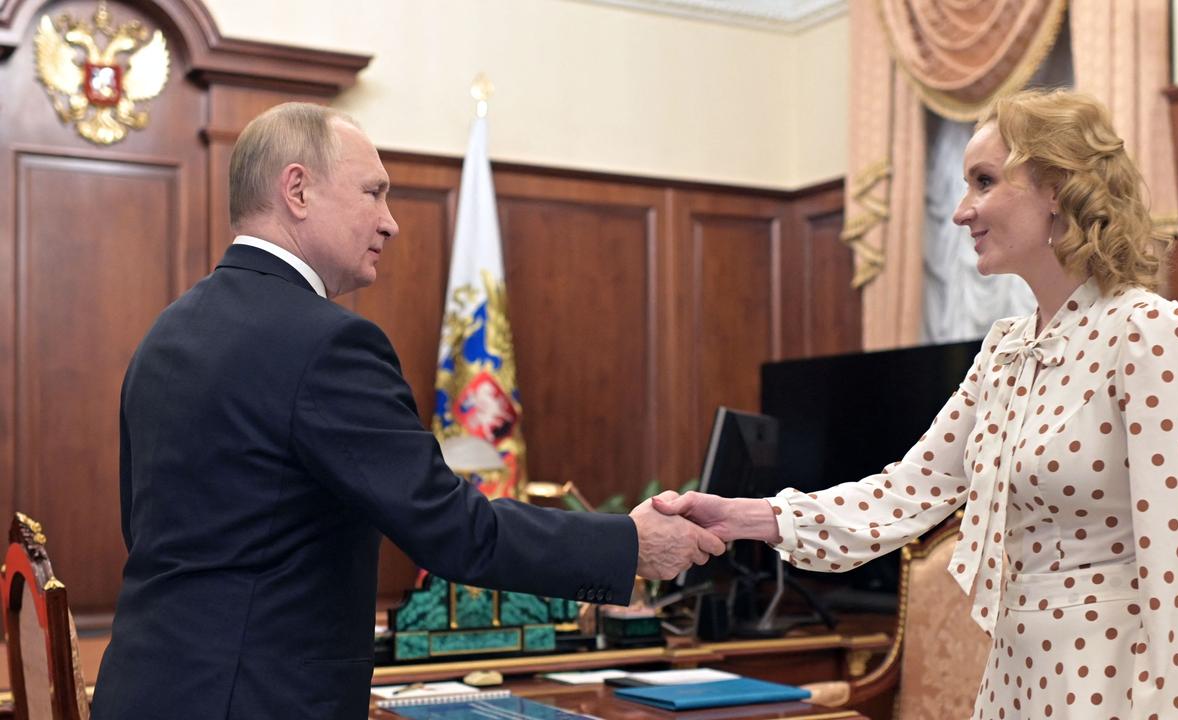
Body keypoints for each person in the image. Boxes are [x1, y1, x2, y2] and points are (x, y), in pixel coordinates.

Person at [92, 102, 724, 720]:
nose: (390, 222)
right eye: (373, 192)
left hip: (142, 687)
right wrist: (629, 546)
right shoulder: (326, 342)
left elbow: (147, 530)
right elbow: (451, 529)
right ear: (297, 190)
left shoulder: (166, 335)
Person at [655, 89, 1178, 719]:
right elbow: (904, 492)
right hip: (1013, 677)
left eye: (984, 182)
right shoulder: (1004, 350)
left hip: (1113, 684)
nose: (961, 212)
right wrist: (747, 518)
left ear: (1058, 188)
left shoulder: (1153, 331)